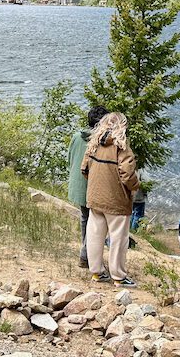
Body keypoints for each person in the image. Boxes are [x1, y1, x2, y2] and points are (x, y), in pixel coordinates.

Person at [82, 111, 139, 287]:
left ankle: (97, 273)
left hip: (95, 197)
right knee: (118, 239)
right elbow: (127, 175)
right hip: (116, 200)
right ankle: (119, 276)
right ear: (121, 126)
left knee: (94, 235)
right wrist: (135, 187)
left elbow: (84, 169)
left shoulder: (93, 144)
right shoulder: (122, 147)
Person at [67, 105, 108, 269]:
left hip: (78, 186)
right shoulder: (100, 142)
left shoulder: (77, 137)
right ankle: (87, 255)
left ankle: (86, 255)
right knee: (97, 223)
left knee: (86, 219)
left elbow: (70, 158)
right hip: (94, 188)